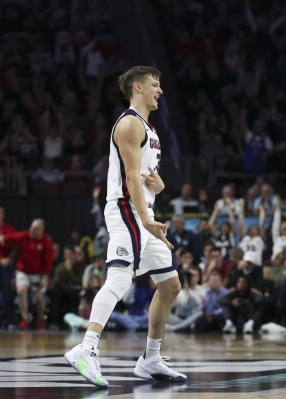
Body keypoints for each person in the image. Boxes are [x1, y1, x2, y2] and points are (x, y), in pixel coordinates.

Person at [65, 66, 186, 387]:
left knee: (170, 285)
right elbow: (131, 176)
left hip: (143, 210)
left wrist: (158, 188)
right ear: (138, 87)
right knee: (120, 279)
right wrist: (146, 218)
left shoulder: (150, 129)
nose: (160, 91)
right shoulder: (130, 123)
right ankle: (86, 348)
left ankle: (150, 359)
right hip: (127, 210)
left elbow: (145, 178)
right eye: (155, 85)